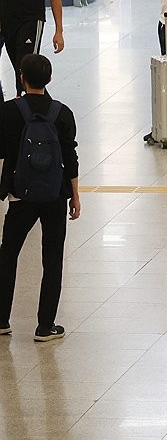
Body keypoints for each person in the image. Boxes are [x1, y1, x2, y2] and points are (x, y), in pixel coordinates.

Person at [0, 54, 81, 342]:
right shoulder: (62, 113)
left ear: (22, 77)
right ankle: (45, 326)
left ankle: (1, 320)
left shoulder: (8, 112)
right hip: (54, 195)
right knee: (52, 258)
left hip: (20, 194)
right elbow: (70, 157)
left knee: (8, 256)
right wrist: (75, 195)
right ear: (49, 80)